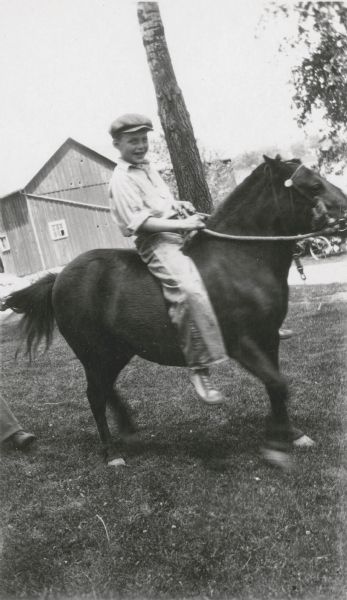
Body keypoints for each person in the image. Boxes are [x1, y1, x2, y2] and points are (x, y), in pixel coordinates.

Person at [108, 113, 228, 405]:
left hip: (176, 231)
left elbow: (159, 205)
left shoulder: (147, 169)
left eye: (143, 139)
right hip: (157, 243)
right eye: (132, 141)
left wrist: (178, 205)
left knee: (226, 258)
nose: (140, 145)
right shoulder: (121, 179)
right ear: (117, 144)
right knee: (187, 289)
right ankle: (199, 368)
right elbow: (140, 223)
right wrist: (183, 226)